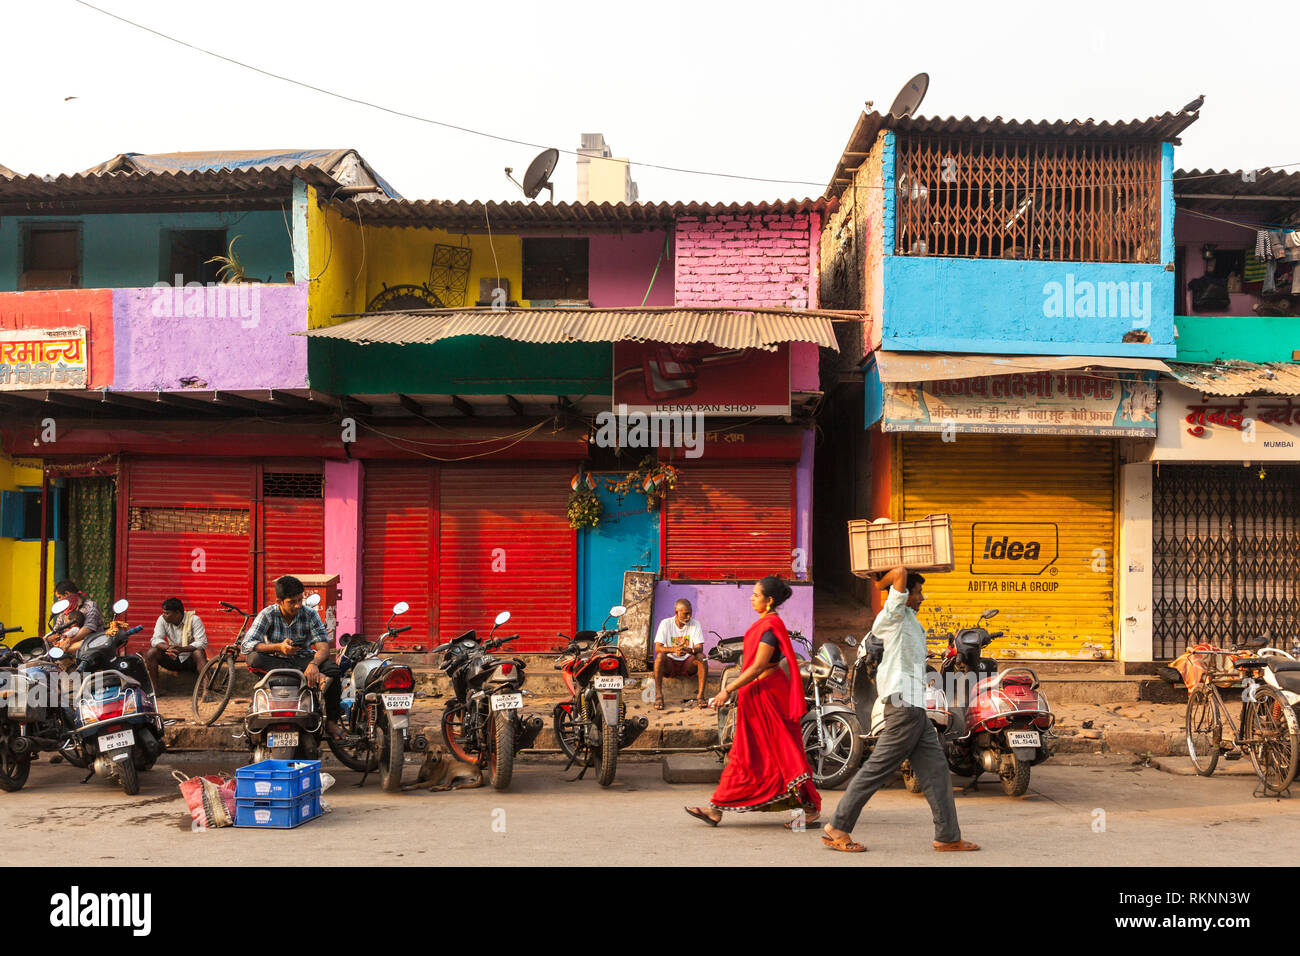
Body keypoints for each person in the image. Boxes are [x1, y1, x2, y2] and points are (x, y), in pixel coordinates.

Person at [820, 566, 979, 853]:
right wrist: (882, 581)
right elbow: (901, 571)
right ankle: (838, 827)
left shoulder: (911, 622)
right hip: (902, 706)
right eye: (917, 592)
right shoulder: (892, 616)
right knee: (877, 769)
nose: (922, 597)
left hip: (915, 706)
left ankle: (947, 836)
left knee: (937, 772)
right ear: (903, 595)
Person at [684, 576, 820, 827]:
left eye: (756, 595)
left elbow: (758, 666)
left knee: (785, 753)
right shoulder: (764, 624)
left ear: (769, 601)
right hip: (756, 696)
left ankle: (809, 810)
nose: (751, 598)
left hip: (770, 697)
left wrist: (728, 690)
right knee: (745, 755)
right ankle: (716, 808)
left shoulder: (770, 628)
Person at [239, 576, 342, 739]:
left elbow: (323, 646)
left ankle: (331, 722)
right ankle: (312, 676)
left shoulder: (309, 614)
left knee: (334, 671)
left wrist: (314, 664)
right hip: (275, 661)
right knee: (253, 659)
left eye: (300, 600)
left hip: (304, 658)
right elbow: (246, 645)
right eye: (292, 602)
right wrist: (278, 647)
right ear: (279, 601)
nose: (298, 605)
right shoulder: (267, 614)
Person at [652, 599, 707, 709]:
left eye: (690, 613)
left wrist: (688, 650)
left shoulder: (695, 624)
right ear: (676, 612)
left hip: (688, 664)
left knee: (702, 657)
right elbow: (658, 648)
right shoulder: (666, 623)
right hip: (670, 663)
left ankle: (700, 696)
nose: (689, 616)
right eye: (685, 613)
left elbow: (699, 647)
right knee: (659, 657)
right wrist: (674, 650)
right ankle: (659, 695)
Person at [144, 598, 208, 691]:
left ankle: (207, 691)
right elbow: (155, 639)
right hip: (172, 658)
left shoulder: (194, 620)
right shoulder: (162, 619)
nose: (163, 615)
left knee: (199, 652)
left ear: (177, 613)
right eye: (163, 612)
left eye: (167, 613)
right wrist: (168, 648)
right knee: (151, 652)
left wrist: (182, 649)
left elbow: (201, 642)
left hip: (190, 660)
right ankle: (155, 690)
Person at [51, 580, 102, 650]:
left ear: (66, 594)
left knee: (63, 650)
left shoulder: (90, 606)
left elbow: (87, 629)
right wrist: (51, 637)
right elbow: (56, 630)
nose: (58, 601)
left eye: (59, 597)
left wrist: (70, 641)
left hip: (90, 645)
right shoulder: (64, 612)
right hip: (68, 644)